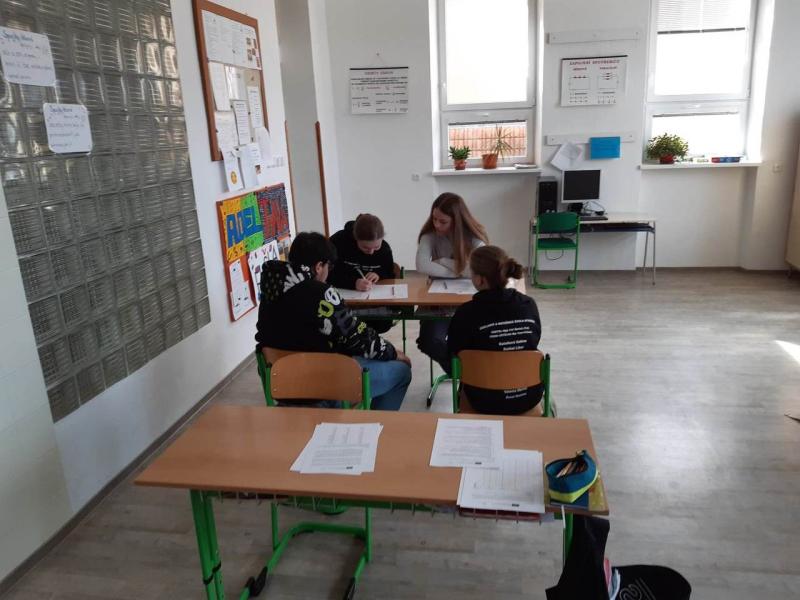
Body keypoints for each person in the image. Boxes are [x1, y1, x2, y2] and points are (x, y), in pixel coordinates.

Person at [255, 232, 411, 410]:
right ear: (319, 266)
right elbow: (357, 337)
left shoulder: (271, 288)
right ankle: (376, 422)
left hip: (280, 382)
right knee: (401, 371)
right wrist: (393, 353)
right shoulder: (321, 294)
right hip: (324, 386)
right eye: (328, 266)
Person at [447, 245, 542, 415]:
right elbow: (533, 341)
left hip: (483, 400)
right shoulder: (529, 305)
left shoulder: (466, 313)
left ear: (480, 280)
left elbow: (454, 355)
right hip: (527, 397)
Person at [415, 192, 489, 373]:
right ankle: (466, 374)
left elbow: (476, 270)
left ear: (458, 221)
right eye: (434, 219)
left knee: (477, 340)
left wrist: (442, 261)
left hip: (468, 302)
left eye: (443, 221)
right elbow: (422, 265)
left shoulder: (475, 239)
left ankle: (470, 375)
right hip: (437, 302)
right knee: (429, 340)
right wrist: (460, 269)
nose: (437, 225)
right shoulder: (429, 235)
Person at [329, 214, 396, 334]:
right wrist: (353, 283)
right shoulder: (338, 242)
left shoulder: (385, 249)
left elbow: (390, 274)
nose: (371, 252)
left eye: (376, 247)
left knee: (382, 323)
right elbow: (327, 274)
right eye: (365, 248)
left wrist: (378, 274)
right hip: (344, 302)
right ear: (355, 238)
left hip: (373, 303)